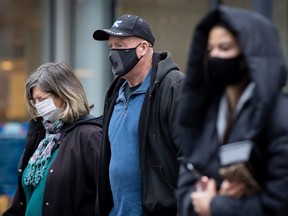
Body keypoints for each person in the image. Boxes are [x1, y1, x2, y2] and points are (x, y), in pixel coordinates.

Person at [175, 5, 288, 216]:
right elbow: (187, 176)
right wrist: (202, 198)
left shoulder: (279, 115)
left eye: (224, 48)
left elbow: (279, 202)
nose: (214, 56)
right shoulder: (208, 110)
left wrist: (216, 206)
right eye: (210, 50)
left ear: (249, 56)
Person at [93, 14, 185, 215]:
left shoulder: (173, 88)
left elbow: (189, 157)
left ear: (144, 48)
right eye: (111, 47)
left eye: (120, 45)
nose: (113, 53)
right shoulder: (115, 92)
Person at [3, 62, 102, 216]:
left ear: (64, 94)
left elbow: (106, 195)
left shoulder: (89, 134)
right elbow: (22, 202)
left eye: (42, 99)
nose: (38, 106)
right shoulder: (41, 137)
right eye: (34, 101)